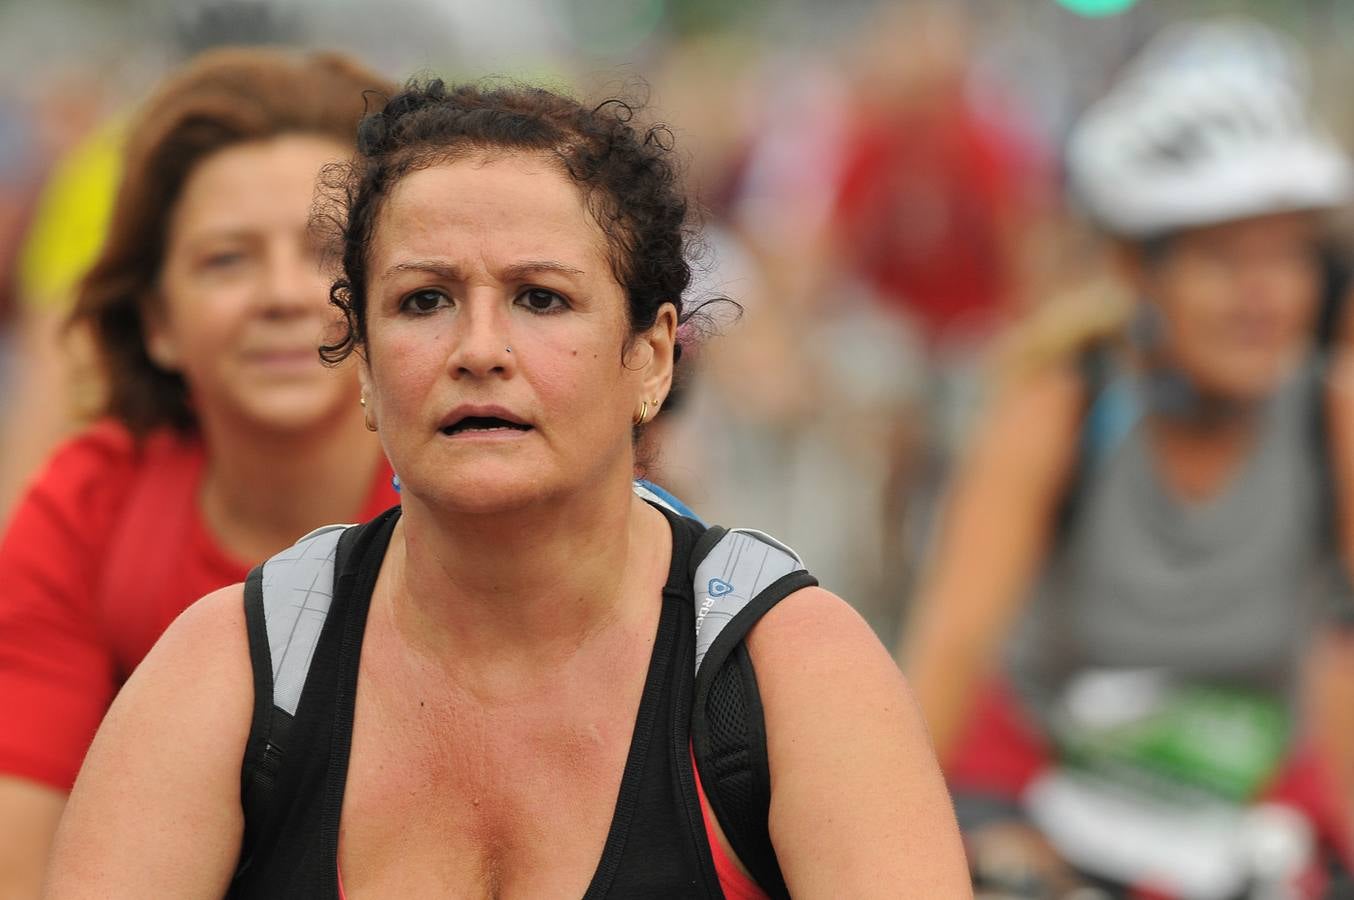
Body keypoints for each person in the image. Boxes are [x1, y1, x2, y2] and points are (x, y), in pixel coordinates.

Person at [43, 79, 970, 898]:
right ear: (363, 369)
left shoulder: (788, 674)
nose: (478, 350)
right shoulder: (232, 669)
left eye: (540, 298)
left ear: (650, 358)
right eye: (423, 301)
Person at [902, 20, 1354, 896]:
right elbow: (950, 648)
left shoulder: (1328, 417)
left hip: (1245, 797)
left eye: (1289, 258)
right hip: (1043, 790)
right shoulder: (1064, 406)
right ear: (1138, 272)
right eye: (1223, 261)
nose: (1266, 296)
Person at [0, 48, 398, 897]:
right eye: (227, 260)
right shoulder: (91, 508)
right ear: (157, 322)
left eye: (326, 251)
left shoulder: (492, 501)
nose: (283, 295)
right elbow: (20, 862)